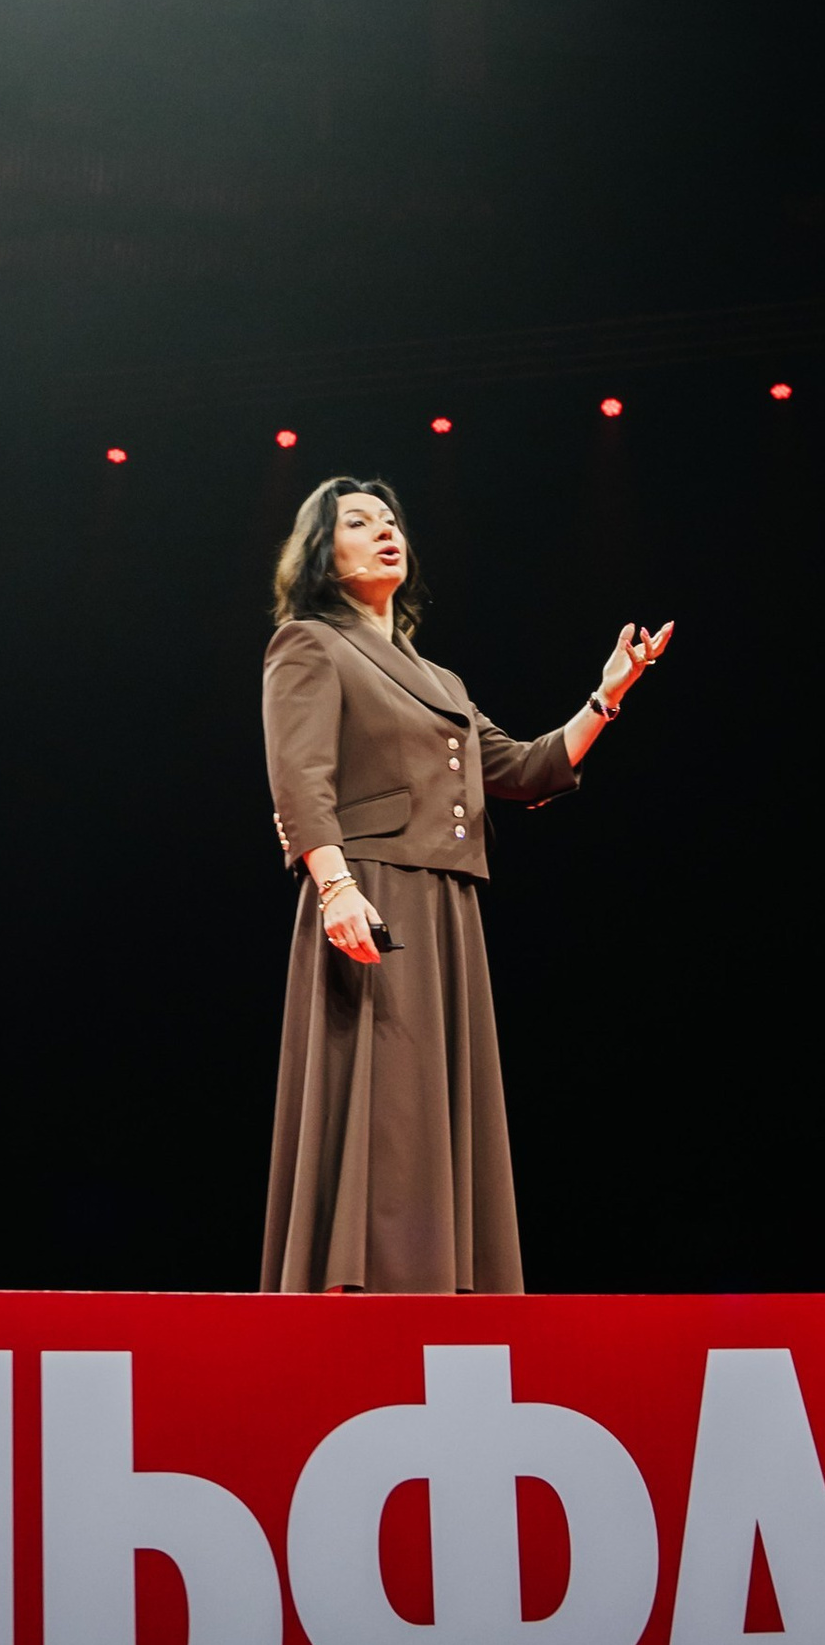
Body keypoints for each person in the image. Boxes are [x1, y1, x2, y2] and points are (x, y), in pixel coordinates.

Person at [260, 473, 671, 1293]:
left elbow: (522, 770)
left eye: (391, 520)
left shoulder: (441, 680)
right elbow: (299, 777)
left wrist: (607, 695)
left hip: (446, 906)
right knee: (385, 1099)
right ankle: (358, 1282)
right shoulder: (309, 642)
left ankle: (447, 1286)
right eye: (358, 523)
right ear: (321, 554)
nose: (386, 532)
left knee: (439, 1099)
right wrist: (336, 886)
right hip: (372, 890)